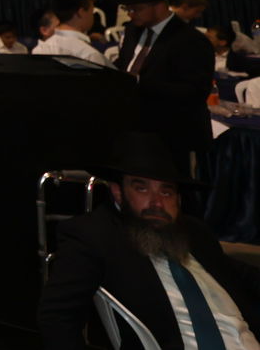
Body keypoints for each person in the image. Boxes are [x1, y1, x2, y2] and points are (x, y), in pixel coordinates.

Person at [38, 131, 260, 350]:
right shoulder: (96, 235)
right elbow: (57, 317)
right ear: (118, 192)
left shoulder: (194, 233)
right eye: (141, 188)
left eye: (166, 192)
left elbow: (235, 272)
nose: (156, 203)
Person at [116, 0, 213, 177]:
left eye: (136, 8)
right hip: (133, 127)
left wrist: (140, 84)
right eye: (128, 9)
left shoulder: (189, 40)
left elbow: (194, 91)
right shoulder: (134, 31)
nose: (131, 14)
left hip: (172, 133)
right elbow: (126, 65)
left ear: (159, 5)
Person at [32, 0, 109, 65]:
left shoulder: (39, 50)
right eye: (91, 12)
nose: (92, 17)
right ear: (81, 12)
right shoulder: (90, 56)